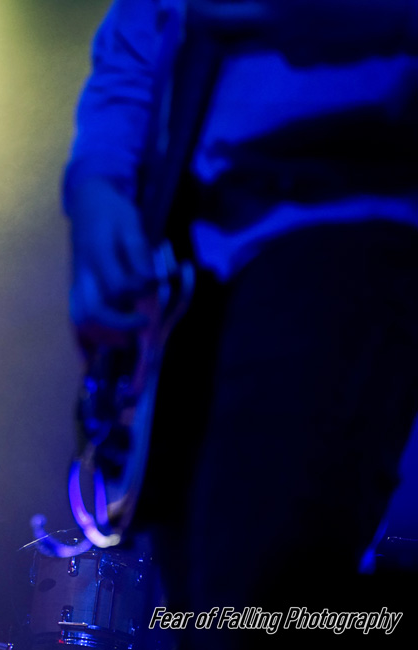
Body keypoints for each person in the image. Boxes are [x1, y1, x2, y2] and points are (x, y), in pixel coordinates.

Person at [64, 2, 418, 649]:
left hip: (339, 233)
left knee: (257, 593)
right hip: (193, 272)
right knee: (201, 607)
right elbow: (139, 38)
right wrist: (96, 186)